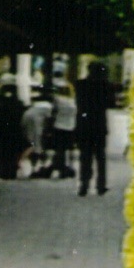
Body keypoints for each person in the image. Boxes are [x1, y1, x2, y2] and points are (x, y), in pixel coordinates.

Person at [74, 59, 114, 197]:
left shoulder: (80, 85)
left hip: (84, 124)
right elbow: (110, 103)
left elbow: (78, 103)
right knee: (100, 157)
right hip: (99, 124)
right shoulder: (106, 86)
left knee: (85, 156)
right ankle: (100, 185)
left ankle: (84, 184)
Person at [50, 75, 78, 180]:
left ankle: (61, 168)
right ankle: (70, 167)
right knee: (70, 149)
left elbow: (53, 112)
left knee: (59, 149)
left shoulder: (57, 99)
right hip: (70, 127)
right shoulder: (73, 102)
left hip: (59, 126)